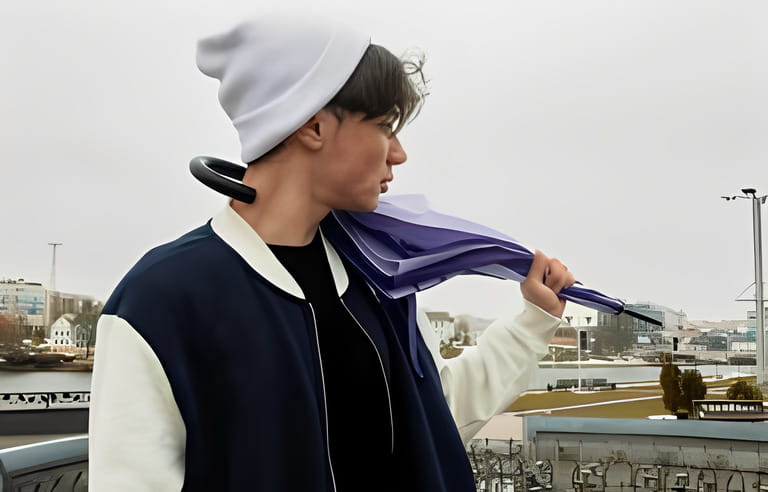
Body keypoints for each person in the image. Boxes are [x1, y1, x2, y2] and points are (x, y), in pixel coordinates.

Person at [88, 13, 576, 492]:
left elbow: (431, 419)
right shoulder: (163, 299)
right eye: (385, 126)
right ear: (313, 126)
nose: (399, 153)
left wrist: (533, 321)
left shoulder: (377, 277)